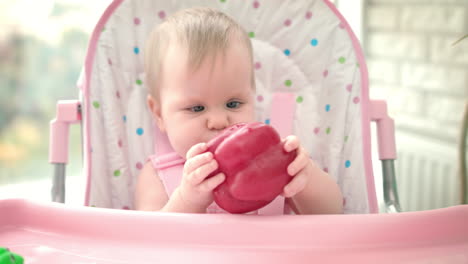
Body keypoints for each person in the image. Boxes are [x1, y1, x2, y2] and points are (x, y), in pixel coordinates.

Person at [134, 7, 343, 214]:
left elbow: (332, 213)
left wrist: (304, 178)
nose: (218, 121)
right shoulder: (157, 174)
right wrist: (187, 200)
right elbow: (150, 237)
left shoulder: (274, 160)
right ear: (159, 114)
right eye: (197, 108)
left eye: (233, 104)